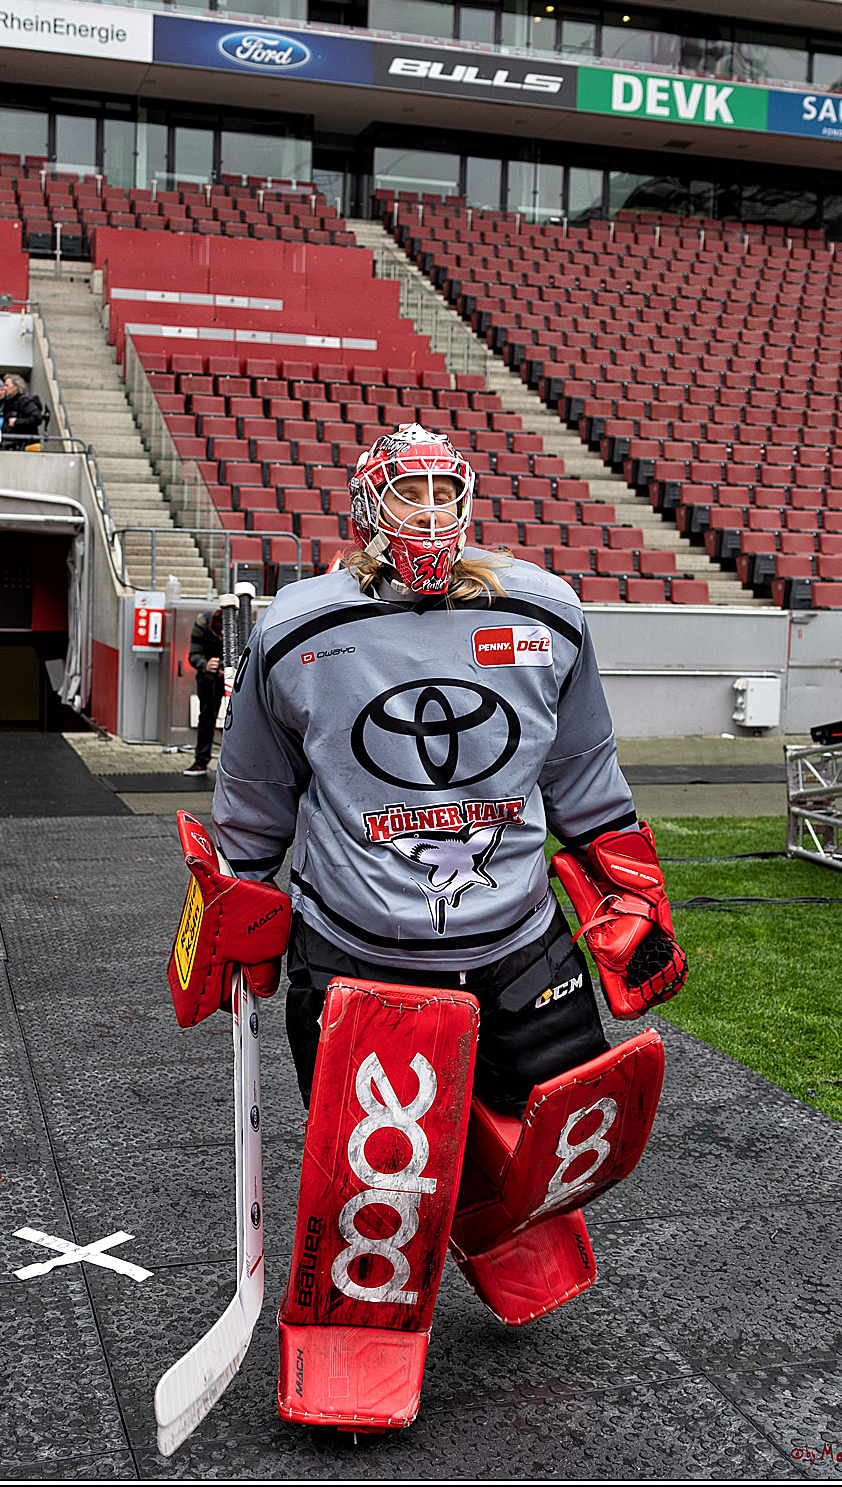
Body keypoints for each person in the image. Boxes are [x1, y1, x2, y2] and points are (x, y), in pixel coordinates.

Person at [212, 423, 682, 1114]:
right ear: (367, 509)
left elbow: (584, 773)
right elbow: (257, 788)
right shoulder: (295, 627)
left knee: (541, 1178)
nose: (428, 512)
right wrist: (240, 895)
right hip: (356, 951)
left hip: (520, 944)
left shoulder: (546, 612)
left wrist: (632, 887)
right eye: (407, 493)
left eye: (443, 492)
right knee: (382, 1196)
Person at [184, 606, 225, 777]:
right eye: (218, 636)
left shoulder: (239, 624)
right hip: (207, 678)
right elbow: (193, 656)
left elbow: (247, 652)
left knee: (240, 719)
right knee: (207, 717)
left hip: (233, 676)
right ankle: (201, 762)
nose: (222, 639)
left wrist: (230, 667)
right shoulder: (201, 624)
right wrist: (206, 665)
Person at [1, 373, 45, 449]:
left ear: (15, 387)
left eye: (7, 385)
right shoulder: (8, 403)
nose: (4, 388)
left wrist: (17, 422)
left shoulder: (25, 402)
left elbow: (37, 418)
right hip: (11, 445)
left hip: (26, 445)